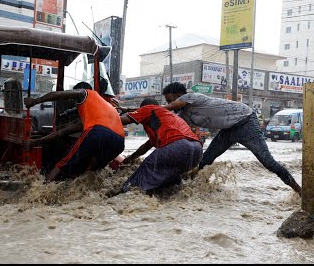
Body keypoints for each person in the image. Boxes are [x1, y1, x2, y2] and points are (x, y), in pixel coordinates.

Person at [162, 82, 302, 196]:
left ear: (179, 96)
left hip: (246, 121)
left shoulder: (192, 97)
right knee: (204, 161)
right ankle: (188, 191)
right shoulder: (183, 115)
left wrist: (156, 109)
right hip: (228, 129)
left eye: (170, 100)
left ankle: (298, 190)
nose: (169, 104)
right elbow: (174, 127)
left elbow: (172, 107)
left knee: (268, 162)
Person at [23, 82, 125, 182]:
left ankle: (42, 192)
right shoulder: (101, 109)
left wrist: (35, 101)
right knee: (93, 172)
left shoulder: (86, 93)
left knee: (62, 163)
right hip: (120, 142)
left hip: (98, 132)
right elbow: (62, 132)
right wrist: (35, 142)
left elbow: (57, 94)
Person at [118, 97, 203, 195]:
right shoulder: (167, 116)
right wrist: (130, 159)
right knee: (170, 175)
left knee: (147, 167)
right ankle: (168, 192)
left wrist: (104, 117)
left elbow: (123, 120)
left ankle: (124, 194)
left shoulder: (149, 108)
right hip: (196, 150)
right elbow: (146, 147)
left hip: (178, 146)